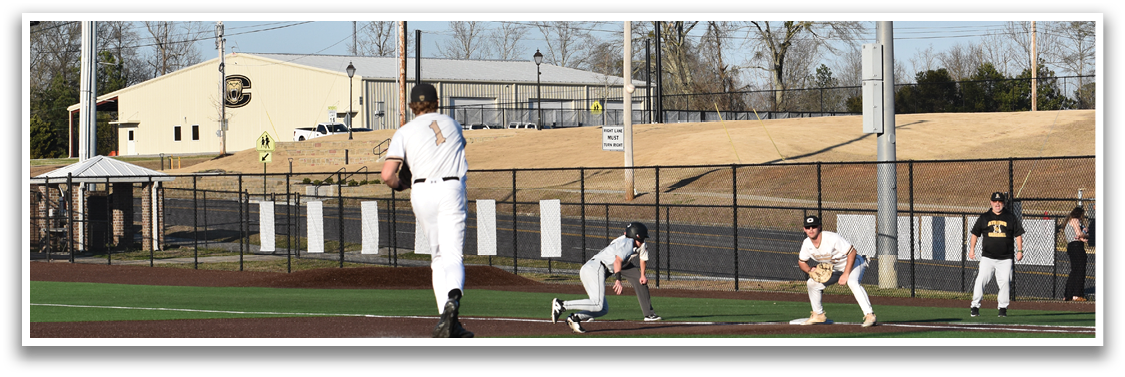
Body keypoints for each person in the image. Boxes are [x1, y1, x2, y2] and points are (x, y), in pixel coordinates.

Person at [382, 83, 473, 338]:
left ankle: (448, 322)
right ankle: (453, 299)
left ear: (412, 105)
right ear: (436, 102)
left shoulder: (404, 130)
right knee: (453, 257)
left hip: (421, 191)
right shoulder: (453, 124)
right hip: (450, 187)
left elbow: (387, 174)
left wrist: (401, 184)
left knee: (437, 260)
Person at [551, 222, 649, 333]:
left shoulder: (626, 242)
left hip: (591, 268)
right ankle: (562, 305)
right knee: (597, 304)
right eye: (641, 239)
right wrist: (618, 280)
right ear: (635, 236)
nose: (642, 242)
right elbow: (618, 261)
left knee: (602, 309)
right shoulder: (629, 243)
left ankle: (575, 318)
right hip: (597, 267)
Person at [796, 215, 877, 327]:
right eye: (808, 227)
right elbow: (801, 262)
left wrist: (846, 274)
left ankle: (869, 315)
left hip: (854, 263)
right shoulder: (806, 244)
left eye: (813, 226)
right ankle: (818, 315)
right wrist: (810, 270)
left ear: (819, 227)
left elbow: (852, 252)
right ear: (804, 229)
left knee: (852, 282)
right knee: (812, 283)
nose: (811, 230)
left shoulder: (831, 238)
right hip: (835, 268)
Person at [968, 192, 1025, 318]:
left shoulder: (1010, 217)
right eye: (995, 201)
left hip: (1005, 258)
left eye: (1000, 201)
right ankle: (975, 306)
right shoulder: (984, 217)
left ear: (1004, 203)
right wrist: (972, 249)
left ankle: (1002, 308)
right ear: (991, 202)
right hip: (988, 257)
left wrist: (1020, 250)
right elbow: (975, 234)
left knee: (1005, 281)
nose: (997, 204)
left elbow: (1018, 234)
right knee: (981, 280)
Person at [1062, 206, 1089, 302]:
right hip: (1076, 246)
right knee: (1080, 270)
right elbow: (1079, 234)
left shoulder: (1070, 222)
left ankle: (1068, 295)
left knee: (1074, 270)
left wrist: (1082, 235)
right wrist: (1085, 234)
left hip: (1072, 246)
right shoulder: (1075, 220)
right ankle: (1077, 294)